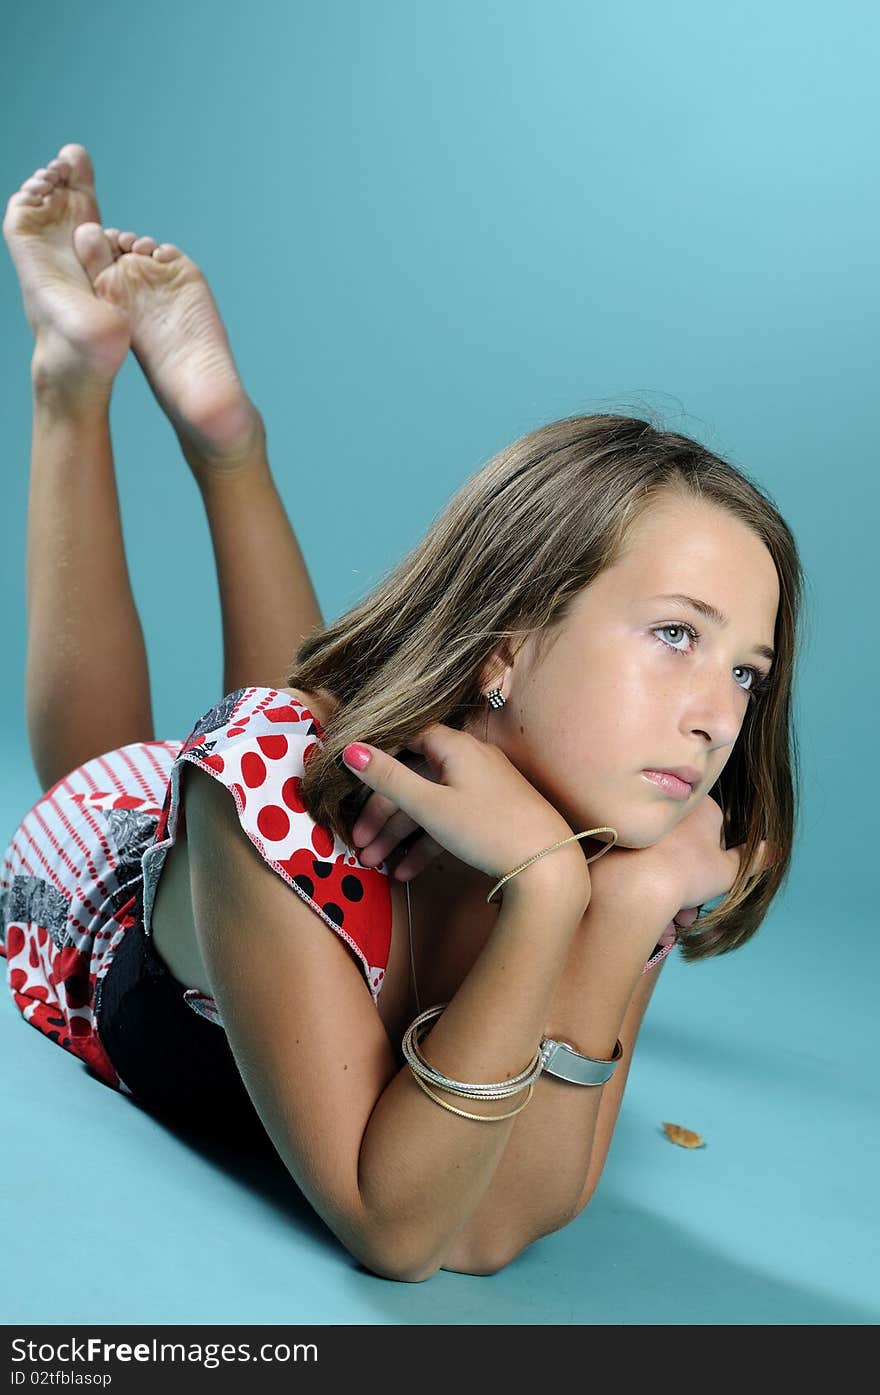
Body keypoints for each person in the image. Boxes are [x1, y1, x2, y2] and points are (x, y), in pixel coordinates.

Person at [1, 143, 799, 1284]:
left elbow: (494, 1221)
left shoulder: (639, 839)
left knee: (302, 733)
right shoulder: (259, 804)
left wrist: (614, 911)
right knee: (146, 762)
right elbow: (399, 1230)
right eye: (676, 634)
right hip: (106, 912)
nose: (717, 715)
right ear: (510, 641)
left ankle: (223, 439)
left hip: (334, 795)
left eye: (746, 673)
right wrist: (548, 901)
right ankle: (74, 383)